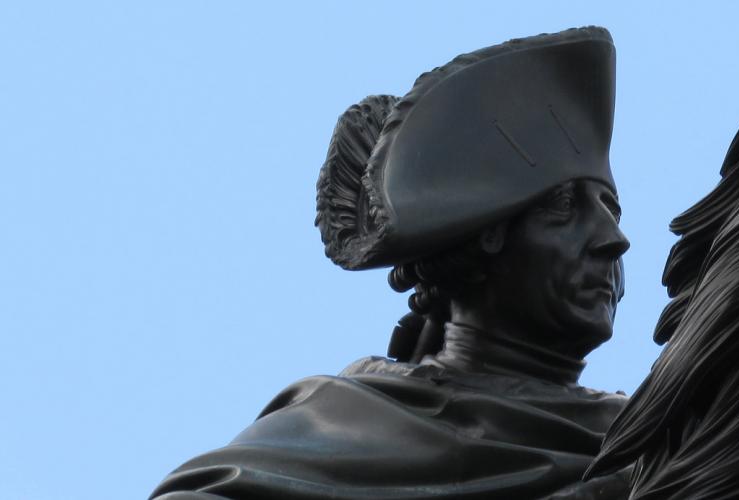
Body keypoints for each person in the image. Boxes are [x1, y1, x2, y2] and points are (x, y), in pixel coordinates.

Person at [151, 26, 632, 499]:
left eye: (612, 209)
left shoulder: (656, 435)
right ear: (488, 234)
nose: (614, 240)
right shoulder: (341, 423)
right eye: (565, 206)